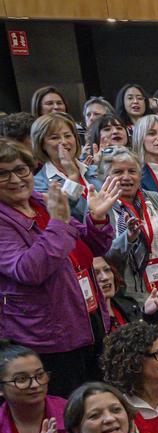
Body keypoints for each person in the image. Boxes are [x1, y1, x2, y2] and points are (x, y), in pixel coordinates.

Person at [0, 139, 118, 398]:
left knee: (97, 400)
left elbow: (90, 247)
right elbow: (28, 269)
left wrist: (96, 219)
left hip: (87, 318)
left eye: (21, 169)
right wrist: (57, 221)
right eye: (3, 173)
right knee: (69, 412)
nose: (16, 179)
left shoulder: (40, 203)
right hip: (49, 339)